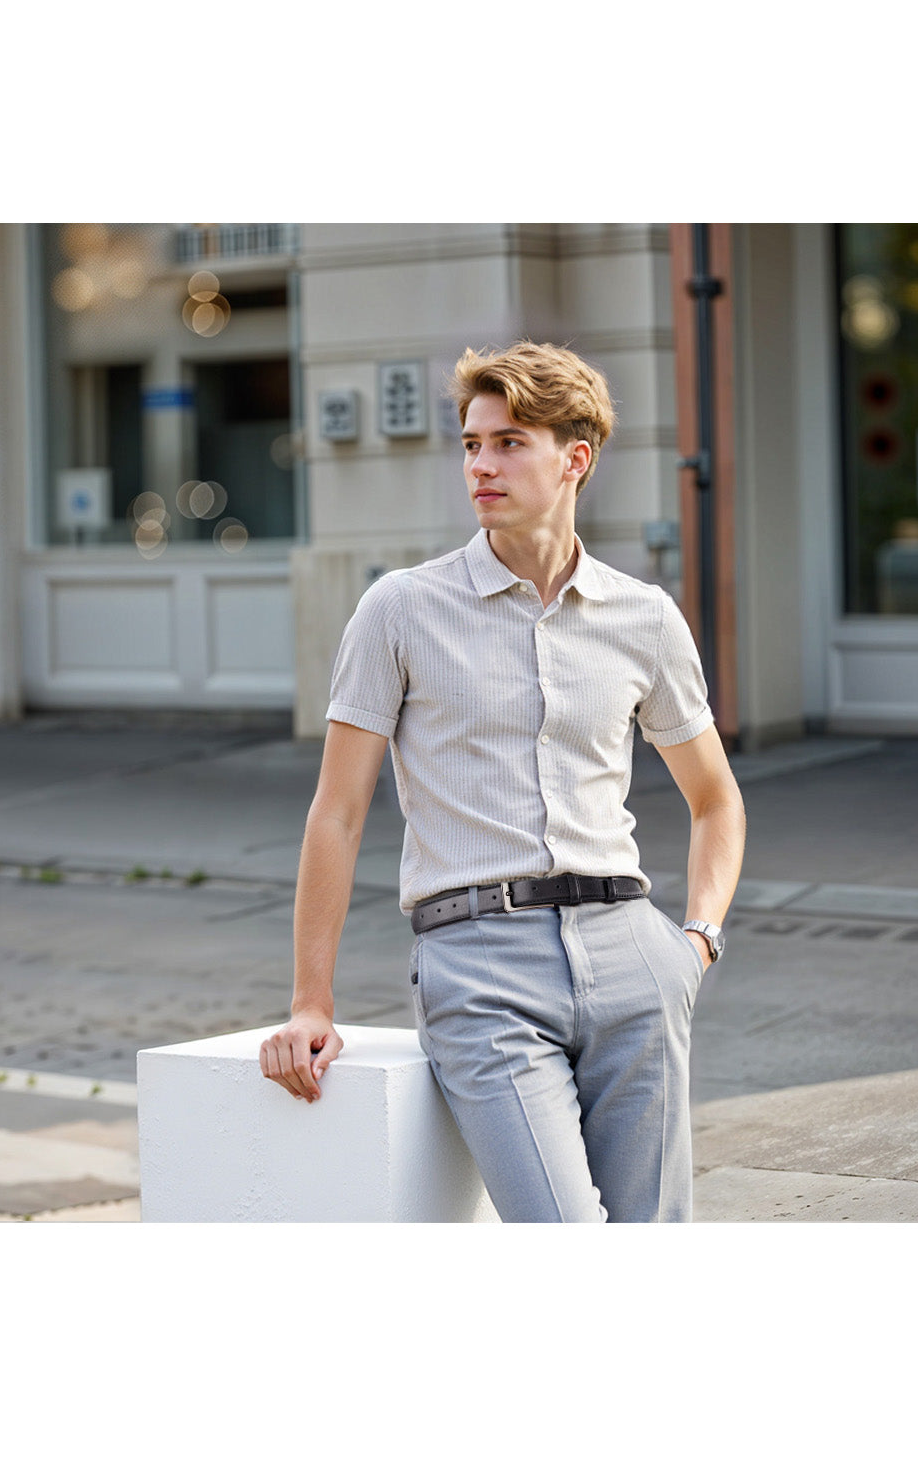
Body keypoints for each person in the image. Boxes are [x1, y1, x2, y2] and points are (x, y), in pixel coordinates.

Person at [259, 340, 745, 1222]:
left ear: (575, 459)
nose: (481, 464)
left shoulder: (644, 617)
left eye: (510, 442)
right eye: (473, 443)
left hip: (632, 953)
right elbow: (337, 813)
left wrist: (695, 944)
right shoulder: (401, 609)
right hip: (479, 963)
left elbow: (716, 799)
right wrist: (309, 1001)